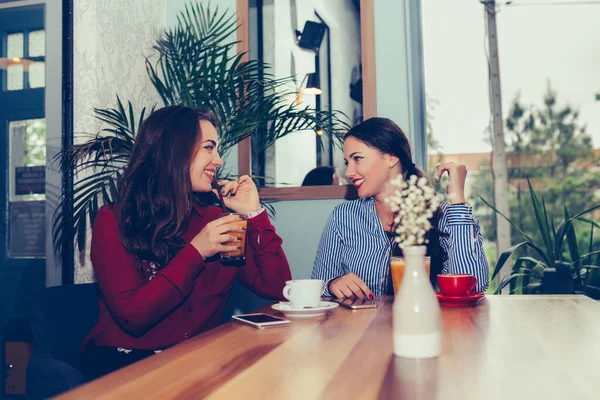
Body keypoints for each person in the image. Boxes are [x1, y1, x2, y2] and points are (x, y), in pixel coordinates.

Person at [81, 106, 291, 380]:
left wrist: (253, 213)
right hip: (127, 366)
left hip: (197, 362)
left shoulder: (216, 219)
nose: (218, 159)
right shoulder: (114, 220)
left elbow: (276, 287)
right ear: (175, 151)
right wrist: (197, 252)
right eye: (209, 148)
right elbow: (133, 317)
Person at [311, 117, 489, 299]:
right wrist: (332, 284)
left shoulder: (442, 216)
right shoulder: (343, 217)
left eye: (357, 158)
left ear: (391, 157)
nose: (348, 172)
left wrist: (457, 200)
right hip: (362, 327)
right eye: (347, 162)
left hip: (427, 323)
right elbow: (318, 283)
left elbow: (474, 286)